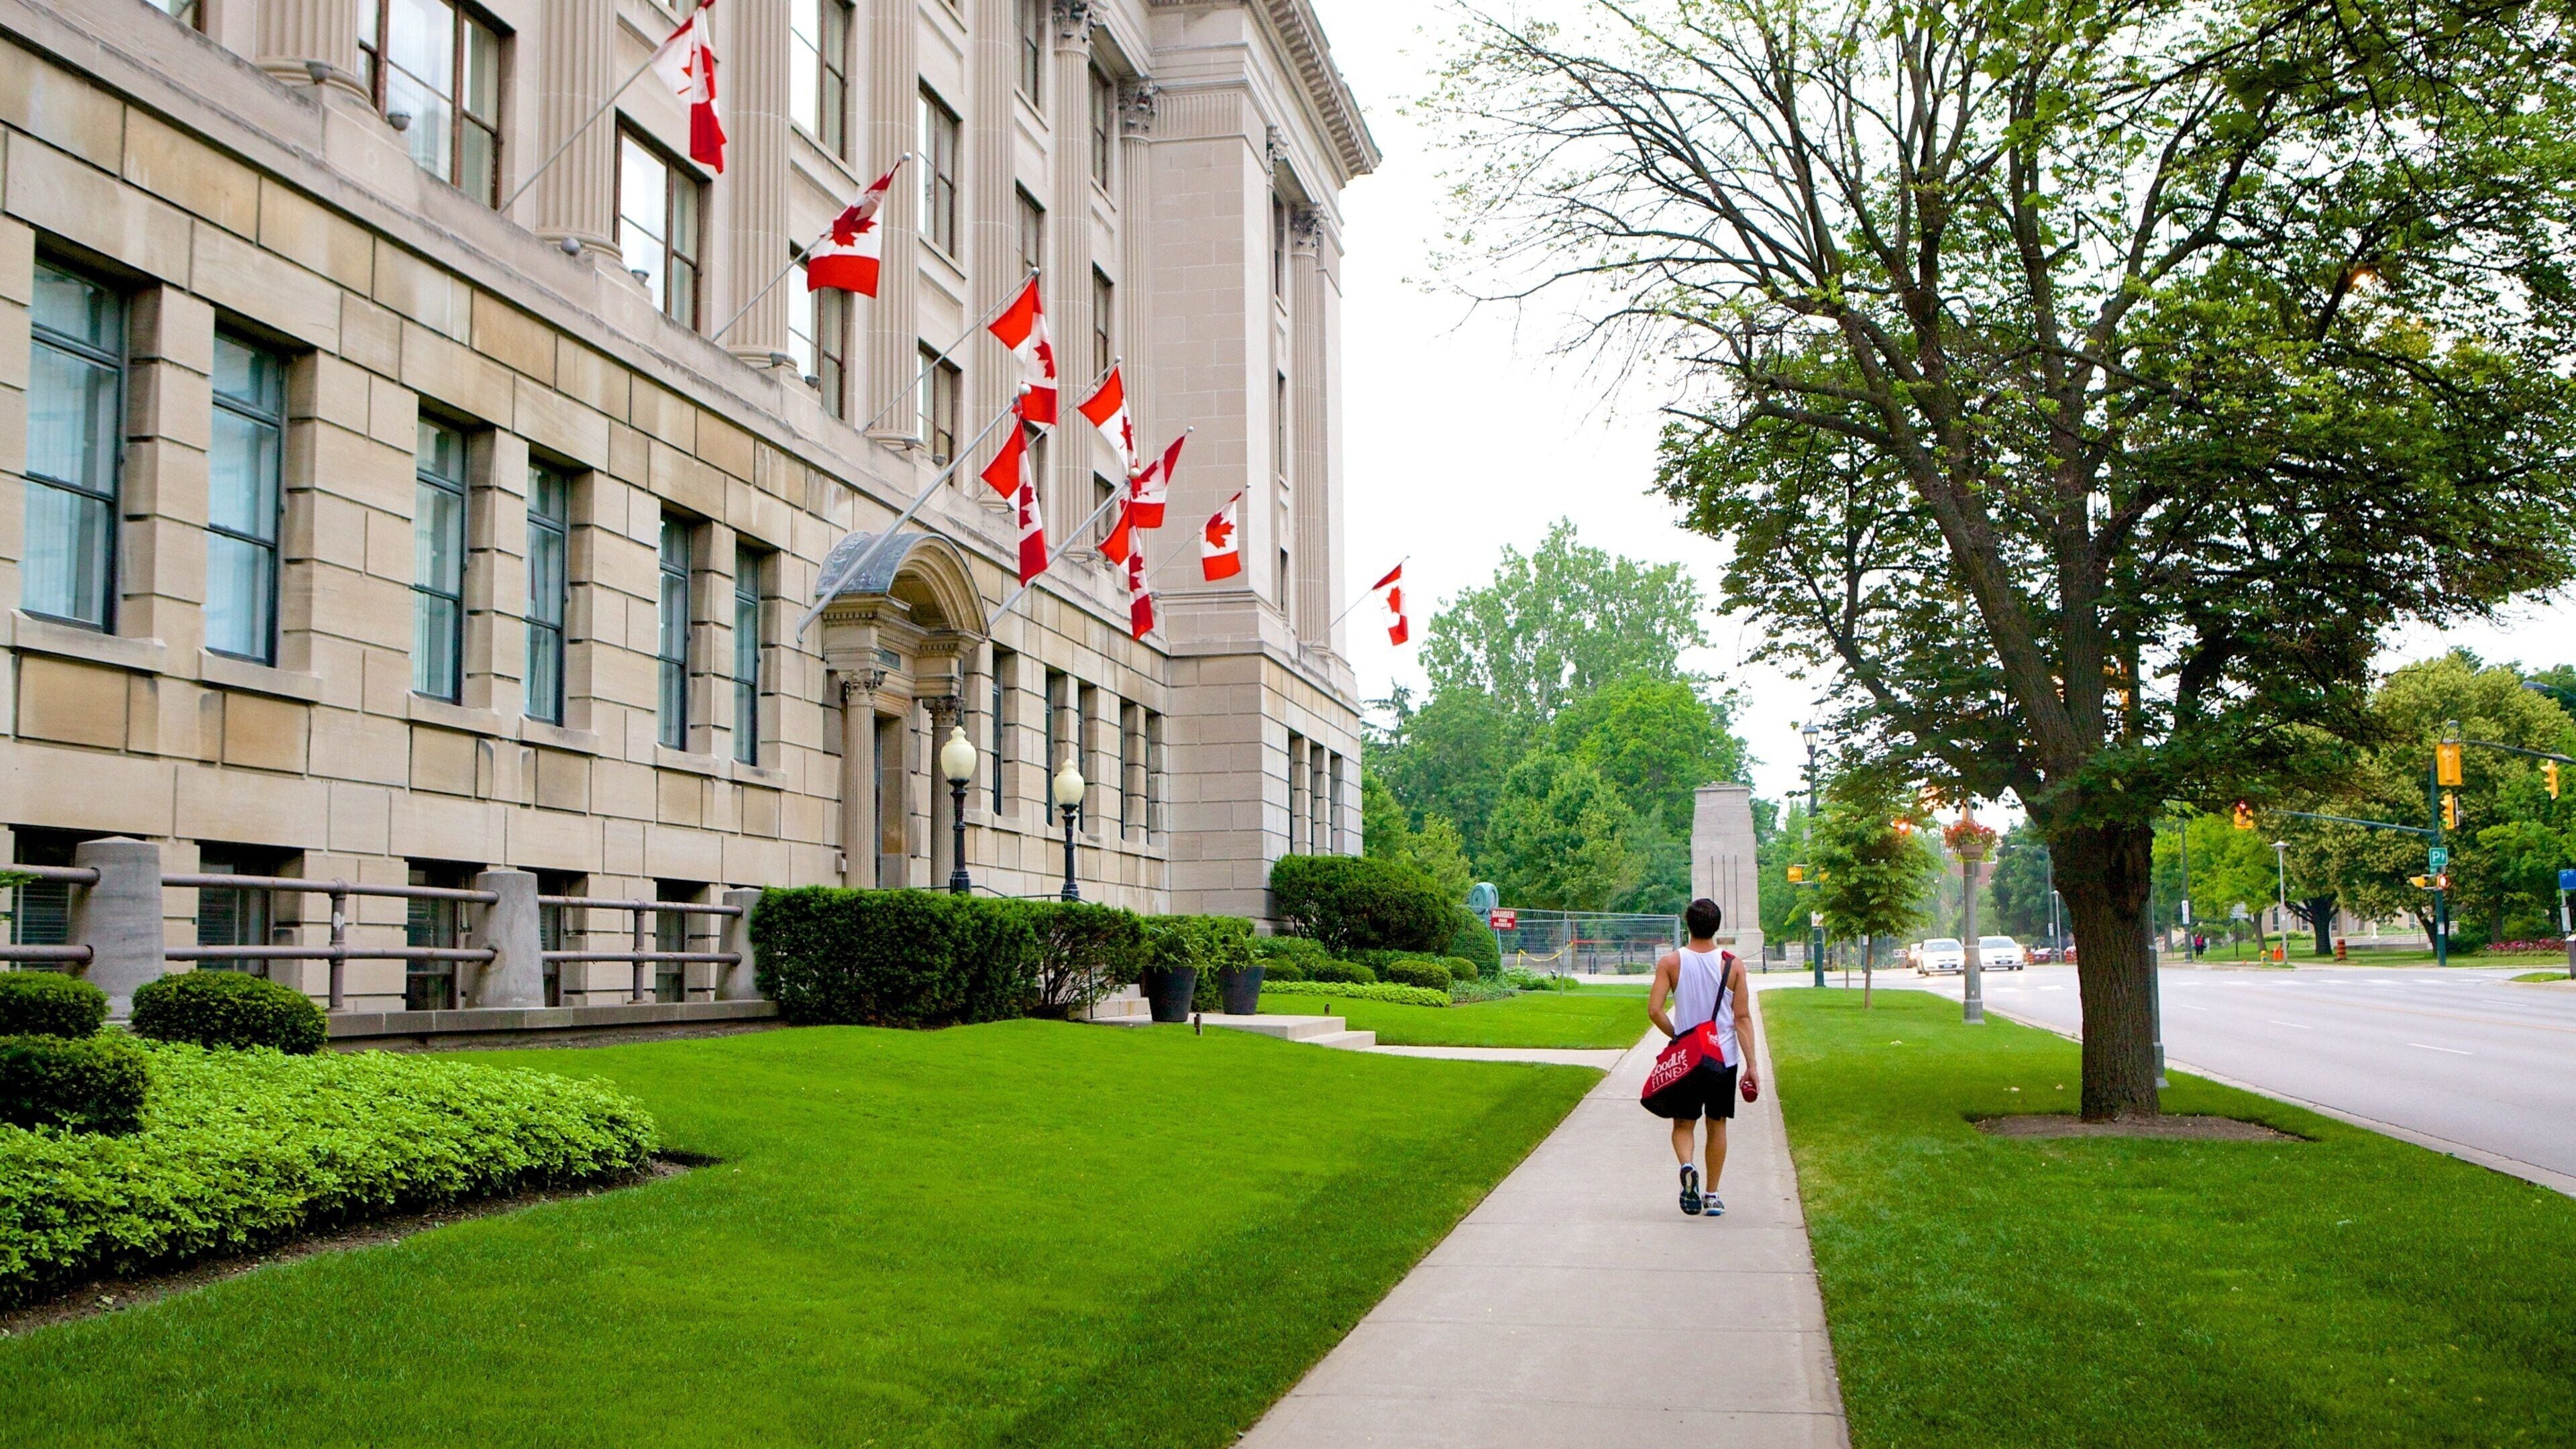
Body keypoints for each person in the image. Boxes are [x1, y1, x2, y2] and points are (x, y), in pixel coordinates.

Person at [1646, 898, 1757, 1217]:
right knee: (1717, 1124)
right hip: (1723, 1059)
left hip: (1687, 1057)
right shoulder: (1732, 965)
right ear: (1717, 926)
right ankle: (1712, 1195)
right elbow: (1742, 1018)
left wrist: (1680, 1037)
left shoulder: (1671, 963)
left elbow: (1654, 1010)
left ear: (1688, 924)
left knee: (1683, 1123)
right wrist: (1752, 1066)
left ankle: (1687, 1165)